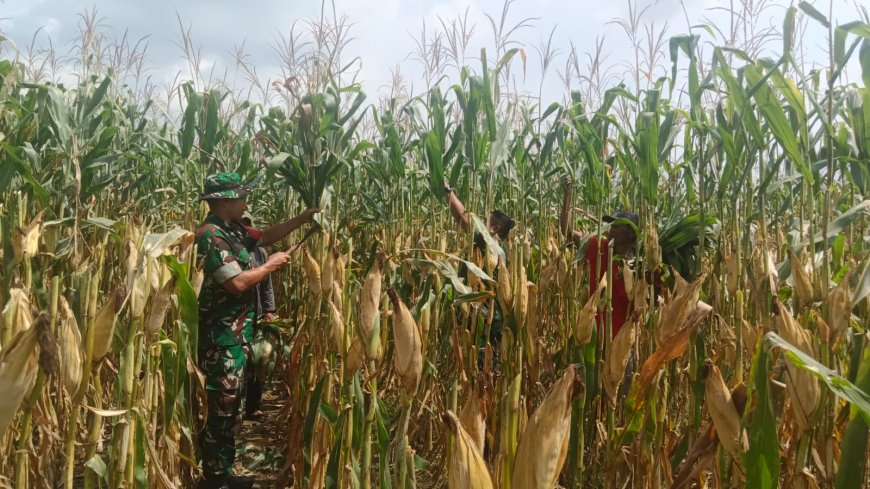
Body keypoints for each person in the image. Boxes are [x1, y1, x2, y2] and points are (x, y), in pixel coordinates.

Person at [195, 172, 318, 489]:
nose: (245, 202)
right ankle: (214, 481)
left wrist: (301, 219)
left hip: (236, 337)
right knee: (222, 410)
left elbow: (264, 237)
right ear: (225, 201)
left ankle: (223, 473)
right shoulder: (211, 236)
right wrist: (269, 265)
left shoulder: (233, 229)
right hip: (221, 339)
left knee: (231, 407)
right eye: (241, 197)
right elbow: (236, 283)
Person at [444, 183, 516, 372]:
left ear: (494, 229)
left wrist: (447, 190)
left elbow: (462, 218)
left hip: (482, 315)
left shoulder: (488, 241)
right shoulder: (502, 250)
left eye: (484, 222)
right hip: (493, 315)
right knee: (490, 364)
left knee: (480, 365)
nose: (480, 224)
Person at [560, 175, 642, 339]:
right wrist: (567, 196)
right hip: (593, 337)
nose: (610, 228)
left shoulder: (639, 267)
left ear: (631, 233)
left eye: (616, 225)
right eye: (610, 224)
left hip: (624, 342)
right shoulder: (599, 248)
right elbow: (567, 231)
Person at [240, 213, 276, 421]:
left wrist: (269, 311)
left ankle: (254, 406)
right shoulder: (229, 250)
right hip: (237, 318)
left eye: (248, 225)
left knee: (259, 359)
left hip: (257, 315)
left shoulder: (260, 252)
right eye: (241, 224)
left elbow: (267, 286)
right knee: (240, 362)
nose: (245, 229)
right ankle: (237, 406)